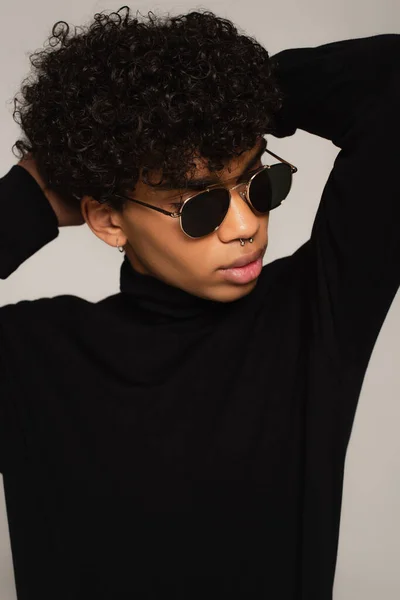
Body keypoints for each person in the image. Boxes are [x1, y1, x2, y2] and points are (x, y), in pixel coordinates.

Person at [0, 6, 399, 599]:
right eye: (200, 206)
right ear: (109, 220)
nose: (245, 225)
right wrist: (28, 197)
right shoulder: (29, 357)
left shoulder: (311, 318)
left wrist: (224, 97)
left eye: (258, 183)